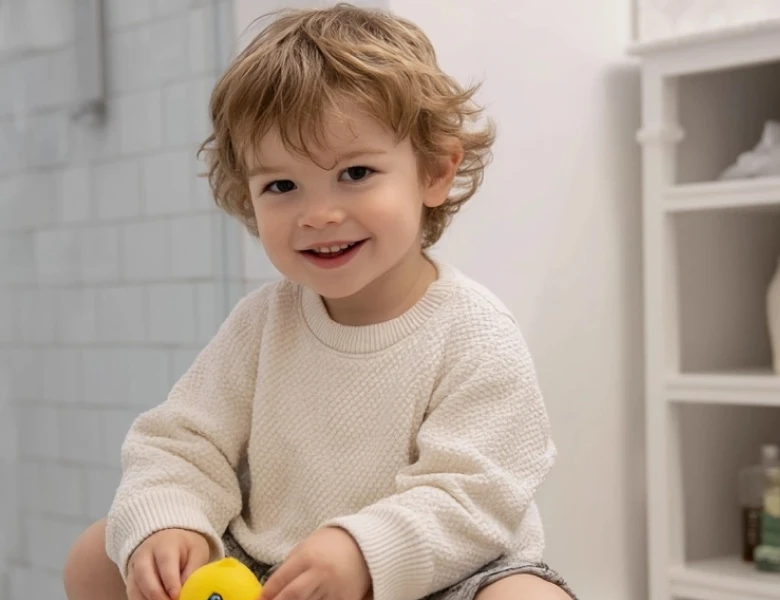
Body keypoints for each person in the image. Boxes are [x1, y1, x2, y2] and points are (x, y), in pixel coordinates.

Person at [63, 4, 576, 600]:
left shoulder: (474, 332)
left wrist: (363, 551)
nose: (318, 214)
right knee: (96, 556)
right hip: (274, 574)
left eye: (355, 173)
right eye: (281, 185)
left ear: (435, 172)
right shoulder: (262, 323)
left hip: (436, 578)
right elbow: (183, 443)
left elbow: (477, 494)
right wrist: (170, 521)